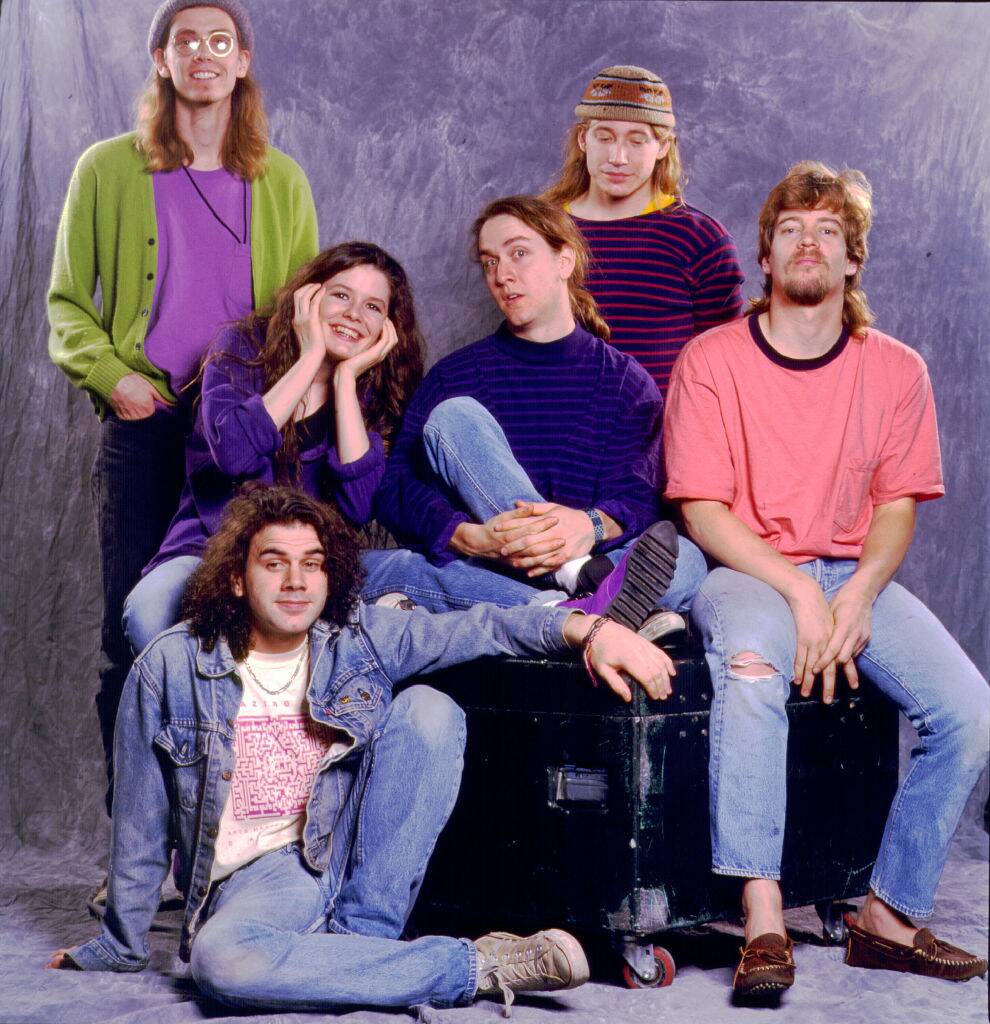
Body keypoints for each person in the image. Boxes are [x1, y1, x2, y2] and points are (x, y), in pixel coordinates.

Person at [47, 484, 680, 1014]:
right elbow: (140, 819)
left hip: (354, 848)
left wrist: (592, 627)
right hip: (268, 877)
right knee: (219, 962)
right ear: (236, 579)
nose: (296, 581)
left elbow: (481, 624)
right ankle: (474, 964)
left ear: (331, 575)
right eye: (274, 563)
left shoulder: (358, 637)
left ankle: (359, 945)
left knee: (428, 709)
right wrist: (121, 943)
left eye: (313, 563)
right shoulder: (171, 666)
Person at [664, 161, 989, 998]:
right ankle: (763, 917)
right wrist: (802, 592)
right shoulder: (710, 359)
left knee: (968, 713)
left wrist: (855, 592)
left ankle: (886, 916)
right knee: (752, 671)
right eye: (790, 230)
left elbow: (895, 506)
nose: (809, 243)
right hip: (744, 566)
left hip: (852, 569)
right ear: (765, 258)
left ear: (853, 262)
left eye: (829, 232)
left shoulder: (897, 371)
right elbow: (703, 511)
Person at [47, 0, 318, 811]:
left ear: (242, 61)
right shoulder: (106, 169)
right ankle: (137, 845)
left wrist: (286, 399)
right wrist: (111, 377)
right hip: (150, 423)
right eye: (185, 40)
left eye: (220, 41)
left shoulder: (283, 180)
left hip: (243, 435)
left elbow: (304, 314)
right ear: (162, 60)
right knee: (131, 634)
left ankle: (233, 831)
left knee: (248, 628)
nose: (203, 53)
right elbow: (66, 305)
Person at [366, 194, 707, 630]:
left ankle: (564, 607)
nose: (502, 275)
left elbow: (640, 497)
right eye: (490, 262)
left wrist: (589, 527)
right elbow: (396, 487)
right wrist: (465, 536)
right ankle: (584, 592)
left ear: (565, 260)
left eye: (519, 253)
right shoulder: (456, 375)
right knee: (455, 417)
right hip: (488, 571)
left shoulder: (625, 381)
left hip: (596, 563)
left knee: (690, 559)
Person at [122, 241, 423, 654]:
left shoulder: (370, 396)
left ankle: (540, 611)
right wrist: (311, 356)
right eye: (341, 295)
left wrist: (344, 379)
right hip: (207, 552)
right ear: (308, 297)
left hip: (308, 569)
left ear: (388, 327)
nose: (354, 314)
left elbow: (359, 505)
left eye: (373, 306)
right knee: (147, 610)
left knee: (416, 574)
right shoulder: (240, 348)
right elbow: (234, 453)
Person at [543, 64, 744, 397]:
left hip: (663, 438)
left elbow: (725, 368)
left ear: (663, 146)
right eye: (604, 137)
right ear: (583, 139)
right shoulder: (543, 229)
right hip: (556, 430)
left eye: (637, 141)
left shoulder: (702, 240)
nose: (617, 157)